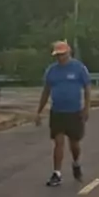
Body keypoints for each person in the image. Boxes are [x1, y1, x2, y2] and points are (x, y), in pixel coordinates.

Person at [35, 40, 91, 187]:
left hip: (74, 111)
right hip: (58, 111)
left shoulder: (78, 68)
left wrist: (86, 108)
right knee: (58, 142)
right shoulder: (52, 70)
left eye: (63, 54)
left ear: (69, 53)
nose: (60, 58)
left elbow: (87, 88)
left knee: (74, 144)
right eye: (58, 55)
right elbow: (46, 91)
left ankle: (76, 163)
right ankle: (57, 173)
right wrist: (39, 111)